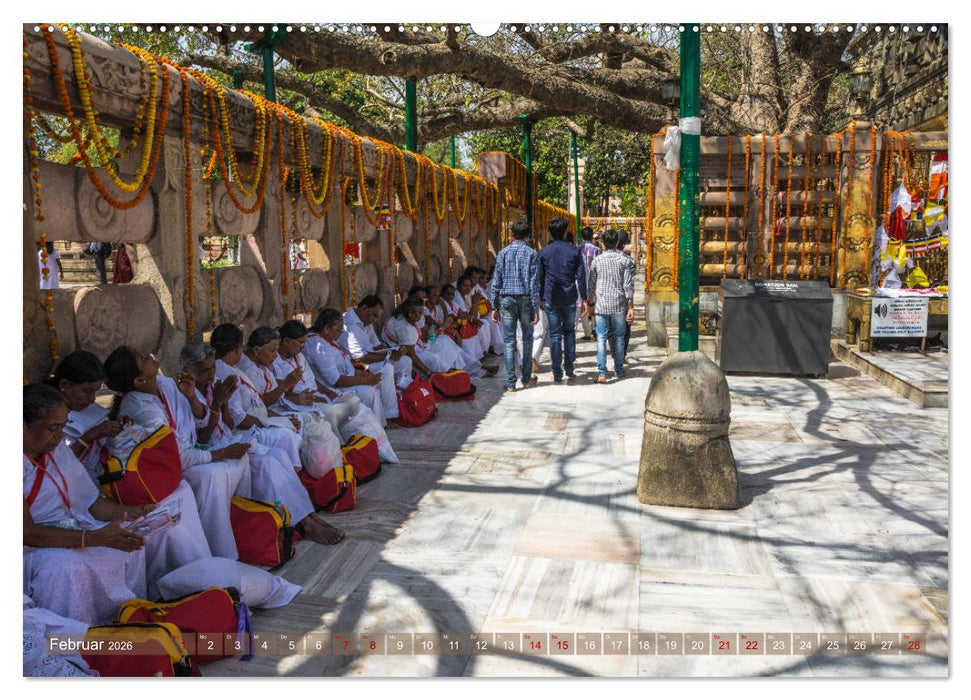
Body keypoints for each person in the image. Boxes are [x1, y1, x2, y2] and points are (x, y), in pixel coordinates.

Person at [181, 342, 343, 545]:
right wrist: (216, 405)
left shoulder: (213, 386)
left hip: (229, 439)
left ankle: (307, 515)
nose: (211, 373)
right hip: (213, 450)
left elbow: (228, 424)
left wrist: (223, 404)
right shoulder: (186, 395)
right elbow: (203, 438)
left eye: (213, 367)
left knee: (279, 457)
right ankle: (303, 523)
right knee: (268, 466)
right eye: (205, 370)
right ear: (189, 371)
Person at [105, 346, 252, 561]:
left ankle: (241, 532)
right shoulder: (140, 408)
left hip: (190, 455)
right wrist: (222, 453)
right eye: (144, 358)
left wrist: (191, 397)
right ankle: (221, 554)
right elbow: (176, 457)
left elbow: (200, 420)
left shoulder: (164, 384)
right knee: (210, 476)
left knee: (240, 459)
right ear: (138, 381)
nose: (150, 356)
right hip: (166, 470)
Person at [23, 383, 148, 625]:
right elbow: (26, 532)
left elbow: (89, 502)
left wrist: (134, 514)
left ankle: (127, 620)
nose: (60, 436)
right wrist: (92, 538)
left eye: (62, 426)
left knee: (132, 542)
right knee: (66, 567)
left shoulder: (56, 449)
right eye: (52, 428)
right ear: (23, 426)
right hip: (31, 547)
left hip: (74, 528)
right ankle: (75, 637)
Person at [50, 350, 126, 484]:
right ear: (64, 385)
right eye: (87, 391)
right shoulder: (46, 417)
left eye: (95, 391)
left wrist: (117, 427)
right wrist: (89, 437)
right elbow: (56, 465)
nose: (93, 399)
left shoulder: (91, 411)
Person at [303, 313, 389, 424]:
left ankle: (378, 426)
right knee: (368, 392)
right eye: (338, 330)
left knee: (377, 382)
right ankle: (373, 429)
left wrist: (361, 374)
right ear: (326, 328)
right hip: (328, 387)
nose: (341, 333)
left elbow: (343, 367)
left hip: (341, 381)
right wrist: (366, 380)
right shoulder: (318, 344)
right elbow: (336, 380)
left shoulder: (326, 339)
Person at [491, 217, 540, 392]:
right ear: (527, 235)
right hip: (526, 299)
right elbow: (534, 283)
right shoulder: (532, 254)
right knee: (527, 339)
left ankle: (511, 383)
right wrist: (535, 307)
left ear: (512, 234)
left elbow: (496, 280)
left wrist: (494, 306)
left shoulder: (503, 253)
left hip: (506, 299)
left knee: (509, 340)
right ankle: (526, 377)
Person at [537, 217, 589, 382]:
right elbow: (581, 277)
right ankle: (569, 368)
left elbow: (540, 277)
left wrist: (539, 298)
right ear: (565, 231)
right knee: (569, 333)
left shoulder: (544, 252)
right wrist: (585, 298)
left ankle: (556, 372)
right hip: (570, 297)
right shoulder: (574, 251)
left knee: (554, 336)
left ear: (550, 232)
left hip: (551, 298)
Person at [587, 229, 636, 383]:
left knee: (601, 338)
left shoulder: (597, 261)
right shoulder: (625, 261)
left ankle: (602, 373)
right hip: (619, 304)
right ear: (617, 243)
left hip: (601, 305)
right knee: (619, 338)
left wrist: (590, 302)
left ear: (603, 243)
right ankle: (619, 369)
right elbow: (628, 285)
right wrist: (631, 306)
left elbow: (591, 284)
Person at [343, 295, 414, 395]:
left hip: (370, 360)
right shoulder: (349, 325)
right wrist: (390, 355)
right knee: (386, 369)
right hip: (357, 366)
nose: (375, 320)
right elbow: (359, 358)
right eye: (374, 315)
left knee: (405, 360)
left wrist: (395, 351)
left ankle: (405, 396)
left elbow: (377, 345)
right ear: (364, 308)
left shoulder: (366, 323)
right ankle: (391, 410)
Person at [577, 227, 601, 340]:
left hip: (580, 281)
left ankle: (587, 333)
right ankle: (594, 329)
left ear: (582, 236)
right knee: (593, 305)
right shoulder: (597, 250)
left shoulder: (577, 249)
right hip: (593, 281)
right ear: (591, 236)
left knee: (583, 306)